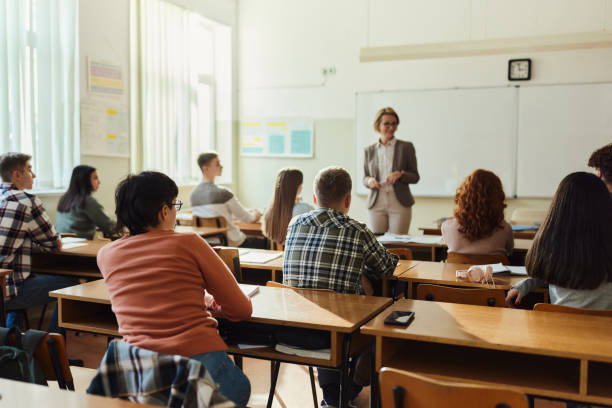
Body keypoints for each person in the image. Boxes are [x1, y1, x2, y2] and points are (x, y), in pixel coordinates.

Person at [97, 171, 252, 406]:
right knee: (242, 387)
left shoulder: (106, 255)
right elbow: (241, 310)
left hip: (139, 374)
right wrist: (211, 303)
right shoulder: (189, 243)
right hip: (196, 364)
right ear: (164, 210)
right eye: (175, 204)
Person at [284, 166, 399, 407]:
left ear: (315, 198)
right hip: (338, 334)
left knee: (326, 305)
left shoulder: (294, 224)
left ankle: (334, 396)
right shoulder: (357, 230)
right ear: (348, 200)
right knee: (387, 316)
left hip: (293, 327)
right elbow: (387, 269)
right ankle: (348, 388)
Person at [505, 172, 612, 309]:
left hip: (558, 326)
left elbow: (545, 272)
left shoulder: (551, 244)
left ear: (559, 207)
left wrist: (523, 285)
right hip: (604, 328)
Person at [0, 152, 78, 332]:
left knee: (21, 275)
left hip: (3, 280)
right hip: (7, 290)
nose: (33, 175)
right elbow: (52, 243)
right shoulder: (26, 202)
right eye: (29, 169)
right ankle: (51, 352)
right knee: (72, 284)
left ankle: (15, 345)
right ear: (16, 175)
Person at [363, 107, 419, 235]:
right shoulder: (369, 150)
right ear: (378, 126)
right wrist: (369, 181)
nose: (391, 127)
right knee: (377, 244)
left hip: (399, 202)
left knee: (398, 243)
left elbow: (415, 176)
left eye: (394, 124)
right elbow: (364, 178)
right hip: (376, 202)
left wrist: (401, 174)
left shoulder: (406, 147)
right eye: (386, 123)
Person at [190, 152, 263, 248]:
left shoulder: (193, 195)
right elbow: (247, 218)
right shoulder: (223, 193)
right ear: (205, 168)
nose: (221, 166)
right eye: (217, 164)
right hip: (234, 243)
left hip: (209, 245)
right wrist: (256, 214)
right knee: (266, 242)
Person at [442, 169, 513, 256]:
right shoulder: (505, 229)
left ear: (464, 195)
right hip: (493, 270)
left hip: (457, 270)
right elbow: (510, 251)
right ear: (497, 197)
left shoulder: (448, 227)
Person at [55, 165, 115, 240]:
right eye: (95, 178)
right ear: (84, 180)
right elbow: (108, 226)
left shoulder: (65, 198)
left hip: (62, 244)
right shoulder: (87, 201)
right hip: (79, 246)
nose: (99, 182)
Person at [262, 168, 313, 245]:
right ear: (298, 186)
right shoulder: (303, 209)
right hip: (295, 255)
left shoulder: (268, 211)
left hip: (276, 255)